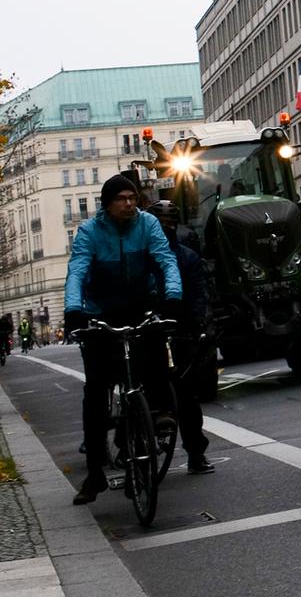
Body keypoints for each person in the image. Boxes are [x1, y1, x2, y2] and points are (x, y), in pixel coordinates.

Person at [64, 174, 182, 505]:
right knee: (96, 392)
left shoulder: (147, 225)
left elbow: (166, 259)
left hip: (140, 305)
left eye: (132, 197)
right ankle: (94, 474)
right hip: (102, 312)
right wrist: (74, 310)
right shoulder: (90, 232)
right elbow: (78, 270)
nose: (129, 203)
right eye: (121, 199)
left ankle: (157, 412)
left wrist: (172, 297)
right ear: (107, 204)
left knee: (157, 351)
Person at [146, 200, 214, 475]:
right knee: (145, 385)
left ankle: (196, 453)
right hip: (150, 326)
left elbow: (198, 293)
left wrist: (198, 324)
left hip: (181, 327)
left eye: (169, 225)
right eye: (161, 225)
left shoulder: (186, 257)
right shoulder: (143, 256)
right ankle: (132, 444)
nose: (166, 229)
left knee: (186, 396)